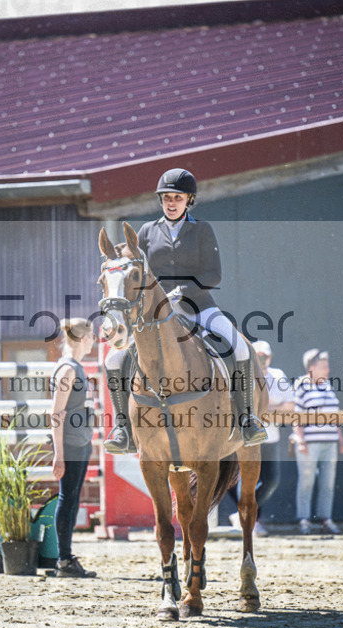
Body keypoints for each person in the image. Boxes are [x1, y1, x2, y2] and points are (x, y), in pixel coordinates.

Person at [103, 168, 267, 454]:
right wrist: (115, 257)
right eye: (166, 197)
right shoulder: (147, 232)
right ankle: (123, 429)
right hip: (155, 314)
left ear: (189, 200)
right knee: (114, 359)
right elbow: (133, 261)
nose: (170, 202)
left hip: (198, 306)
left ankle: (247, 419)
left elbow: (214, 275)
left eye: (177, 197)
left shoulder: (202, 230)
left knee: (240, 348)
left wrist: (184, 291)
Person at [225, 340, 294, 537]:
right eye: (258, 356)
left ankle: (244, 515)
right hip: (247, 437)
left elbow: (290, 406)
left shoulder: (278, 376)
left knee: (271, 481)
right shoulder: (242, 377)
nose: (262, 360)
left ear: (270, 358)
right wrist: (267, 408)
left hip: (270, 437)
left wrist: (265, 408)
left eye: (265, 356)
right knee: (245, 480)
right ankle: (249, 520)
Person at [50, 318, 98, 578]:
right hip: (70, 443)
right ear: (83, 338)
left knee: (71, 499)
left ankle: (65, 557)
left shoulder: (75, 367)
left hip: (81, 441)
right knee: (67, 499)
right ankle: (64, 559)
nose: (94, 341)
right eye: (92, 336)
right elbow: (56, 413)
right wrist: (59, 453)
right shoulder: (68, 369)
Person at [291, 349, 343, 535]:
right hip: (310, 443)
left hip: (330, 442)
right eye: (323, 366)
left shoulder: (328, 386)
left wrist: (340, 439)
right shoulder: (302, 386)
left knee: (328, 482)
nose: (327, 369)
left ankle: (325, 519)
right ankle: (304, 520)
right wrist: (301, 440)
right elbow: (296, 415)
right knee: (306, 481)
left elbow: (334, 414)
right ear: (311, 368)